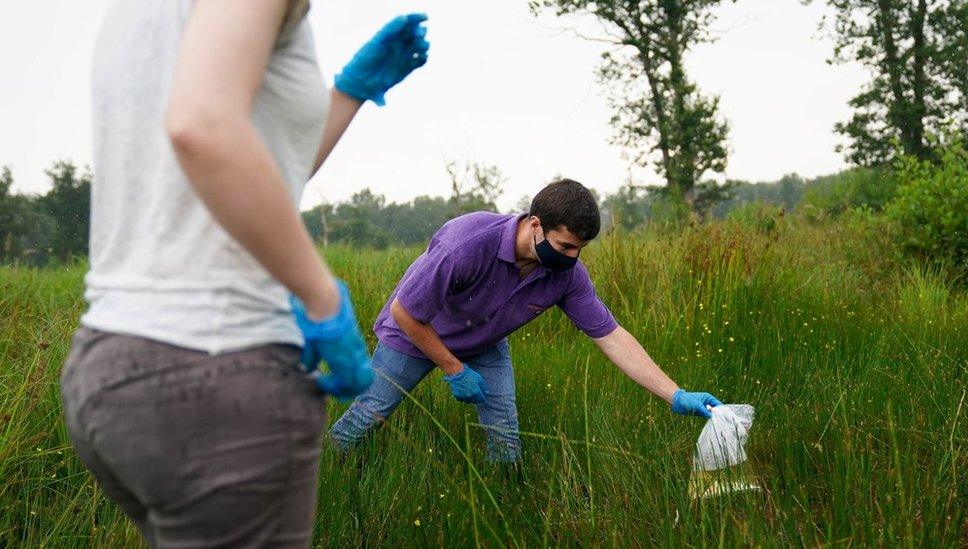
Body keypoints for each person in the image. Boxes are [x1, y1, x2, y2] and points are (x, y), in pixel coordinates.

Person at [59, 1, 428, 546]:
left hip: (111, 364)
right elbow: (203, 128)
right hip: (219, 370)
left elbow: (246, 168)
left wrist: (348, 93)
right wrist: (322, 296)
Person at [330, 179, 722, 462]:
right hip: (415, 335)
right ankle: (332, 470)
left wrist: (675, 394)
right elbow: (405, 313)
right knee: (370, 413)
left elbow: (612, 337)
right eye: (565, 246)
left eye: (580, 249)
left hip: (484, 343)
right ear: (535, 224)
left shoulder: (566, 275)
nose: (572, 258)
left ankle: (500, 496)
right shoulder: (465, 244)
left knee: (505, 438)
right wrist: (452, 368)